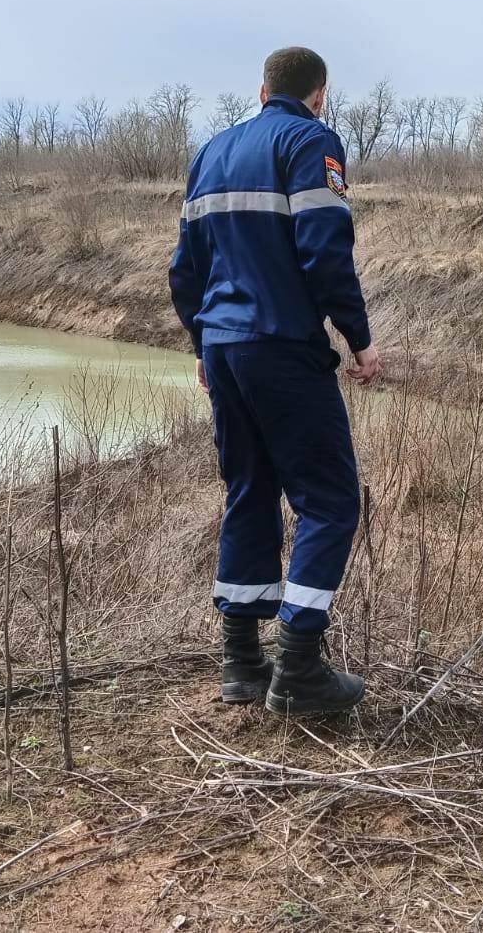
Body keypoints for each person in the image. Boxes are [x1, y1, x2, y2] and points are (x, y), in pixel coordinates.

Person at [169, 46, 382, 716]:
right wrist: (359, 338)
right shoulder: (312, 142)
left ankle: (241, 664)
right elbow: (325, 250)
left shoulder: (213, 151)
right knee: (331, 502)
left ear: (262, 90)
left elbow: (186, 266)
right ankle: (298, 668)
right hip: (281, 346)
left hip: (226, 348)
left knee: (249, 490)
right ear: (319, 94)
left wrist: (205, 340)